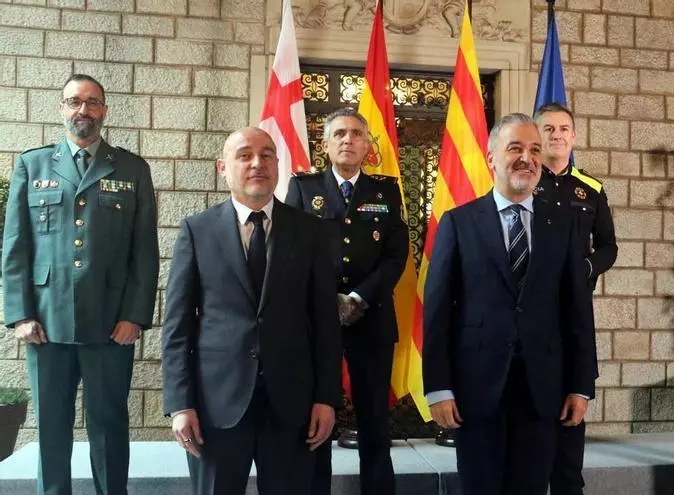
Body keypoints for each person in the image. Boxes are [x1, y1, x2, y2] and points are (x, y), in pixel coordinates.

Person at [1, 74, 159, 495]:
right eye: (74, 101)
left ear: (104, 110)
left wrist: (135, 317)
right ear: (62, 108)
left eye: (92, 102)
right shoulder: (33, 165)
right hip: (46, 325)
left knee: (109, 425)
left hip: (110, 325)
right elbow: (16, 247)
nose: (83, 110)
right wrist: (20, 315)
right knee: (51, 427)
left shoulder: (132, 169)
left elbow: (144, 251)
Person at [422, 113, 596, 495]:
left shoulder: (563, 224)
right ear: (491, 158)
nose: (527, 158)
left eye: (534, 150)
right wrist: (438, 388)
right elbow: (437, 313)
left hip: (542, 391)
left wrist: (581, 386)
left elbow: (578, 312)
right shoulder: (458, 223)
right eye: (515, 148)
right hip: (476, 390)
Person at [162, 127, 341, 494]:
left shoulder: (310, 231)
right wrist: (180, 404)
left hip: (292, 405)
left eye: (267, 155)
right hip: (216, 407)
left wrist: (326, 398)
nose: (257, 163)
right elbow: (177, 327)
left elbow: (325, 322)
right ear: (223, 167)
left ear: (277, 165)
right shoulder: (197, 231)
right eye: (244, 155)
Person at [284, 107, 408, 495]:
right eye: (339, 134)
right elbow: (289, 252)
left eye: (356, 134)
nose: (348, 140)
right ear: (325, 144)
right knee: (316, 415)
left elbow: (396, 256)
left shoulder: (386, 191)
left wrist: (358, 297)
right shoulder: (303, 188)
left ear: (367, 145)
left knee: (374, 419)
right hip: (316, 319)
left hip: (371, 316)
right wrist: (328, 300)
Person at [533, 102, 617, 495]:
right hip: (530, 313)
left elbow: (609, 246)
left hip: (573, 313)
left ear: (574, 136)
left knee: (570, 429)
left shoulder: (591, 189)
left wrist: (585, 268)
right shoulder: (523, 183)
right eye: (548, 128)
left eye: (563, 128)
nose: (556, 135)